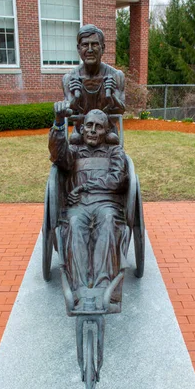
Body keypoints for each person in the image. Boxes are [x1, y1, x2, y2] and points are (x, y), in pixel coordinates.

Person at [49, 101, 129, 310]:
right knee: (74, 224)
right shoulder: (73, 151)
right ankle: (79, 287)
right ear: (82, 128)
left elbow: (118, 180)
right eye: (88, 125)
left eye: (98, 126)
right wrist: (59, 124)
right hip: (78, 206)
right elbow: (58, 156)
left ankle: (105, 286)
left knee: (109, 223)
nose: (92, 130)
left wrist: (85, 187)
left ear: (107, 131)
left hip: (107, 205)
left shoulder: (115, 153)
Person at [62, 24, 125, 142]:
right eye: (85, 45)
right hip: (81, 133)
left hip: (107, 133)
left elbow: (120, 111)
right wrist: (76, 98)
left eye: (95, 44)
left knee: (113, 143)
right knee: (74, 141)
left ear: (103, 48)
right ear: (79, 49)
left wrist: (111, 96)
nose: (90, 50)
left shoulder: (116, 76)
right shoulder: (69, 78)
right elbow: (69, 114)